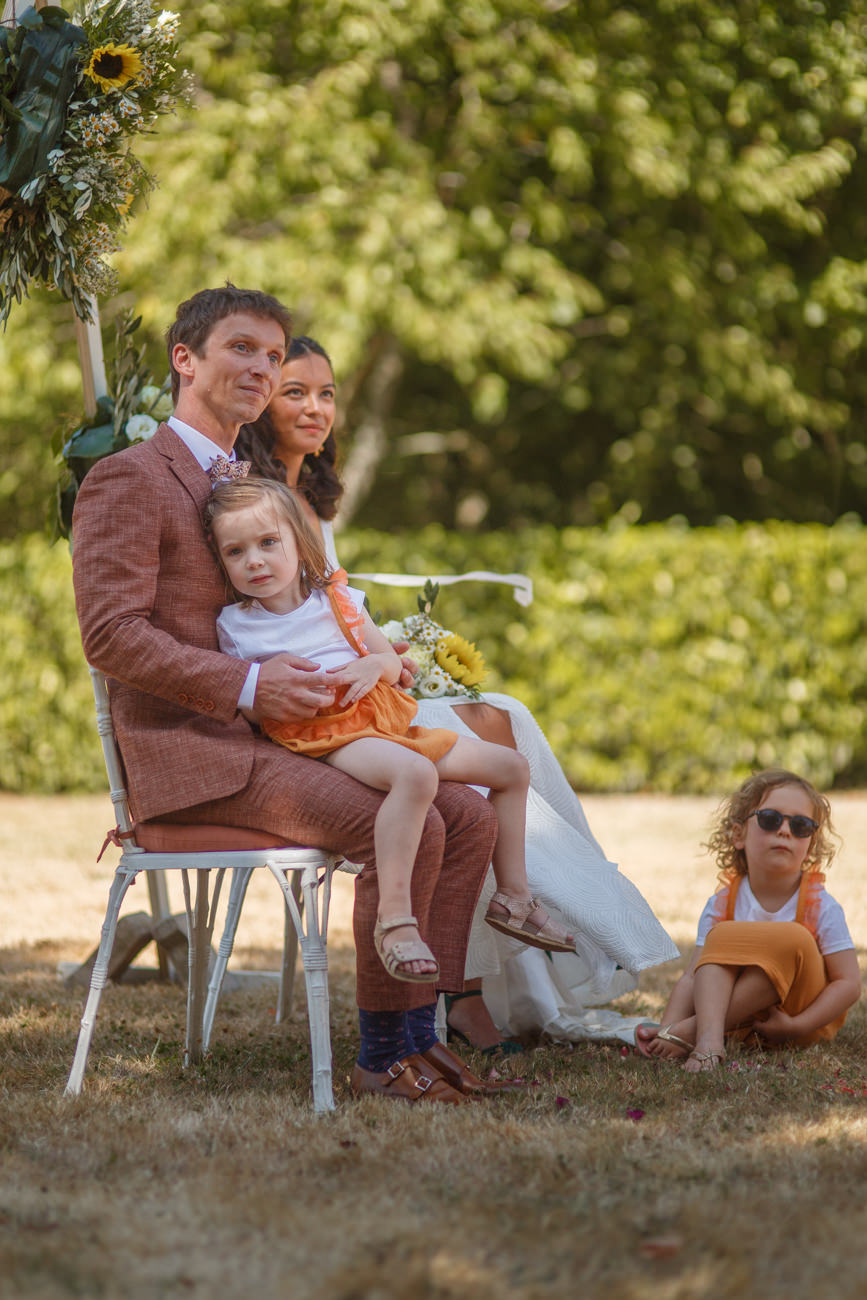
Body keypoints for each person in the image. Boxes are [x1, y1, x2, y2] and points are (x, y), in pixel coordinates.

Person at [71, 285, 509, 1105]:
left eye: (275, 356)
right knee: (393, 818)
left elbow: (320, 595)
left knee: (472, 812)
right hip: (194, 756)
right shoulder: (128, 478)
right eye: (243, 348)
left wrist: (371, 656)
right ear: (185, 359)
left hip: (288, 739)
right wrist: (247, 685)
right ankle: (383, 1056)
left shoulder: (248, 479)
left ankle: (423, 1032)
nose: (263, 369)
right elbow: (112, 636)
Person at [236, 336, 680, 1054]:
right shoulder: (254, 508)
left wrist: (392, 654)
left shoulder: (312, 502)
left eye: (326, 394)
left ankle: (495, 956)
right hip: (329, 717)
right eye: (295, 392)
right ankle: (470, 985)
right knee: (492, 737)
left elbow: (340, 615)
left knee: (506, 726)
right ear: (260, 405)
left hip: (368, 686)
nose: (315, 408)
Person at [205, 476, 576, 984]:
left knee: (511, 767)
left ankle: (514, 897)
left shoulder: (340, 601)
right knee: (416, 776)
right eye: (235, 551)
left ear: (297, 540)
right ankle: (395, 919)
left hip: (386, 720)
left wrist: (371, 668)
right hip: (330, 734)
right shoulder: (238, 624)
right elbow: (249, 702)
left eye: (269, 543)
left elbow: (387, 659)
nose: (255, 560)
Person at [636, 769, 860, 1071]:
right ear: (738, 834)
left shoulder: (821, 907)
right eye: (770, 819)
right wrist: (668, 1029)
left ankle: (698, 1031)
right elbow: (693, 977)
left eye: (800, 826)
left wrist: (796, 1025)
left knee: (790, 939)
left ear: (810, 845)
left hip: (794, 1019)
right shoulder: (721, 903)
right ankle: (707, 1039)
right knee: (722, 939)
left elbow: (848, 984)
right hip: (742, 1030)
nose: (784, 831)